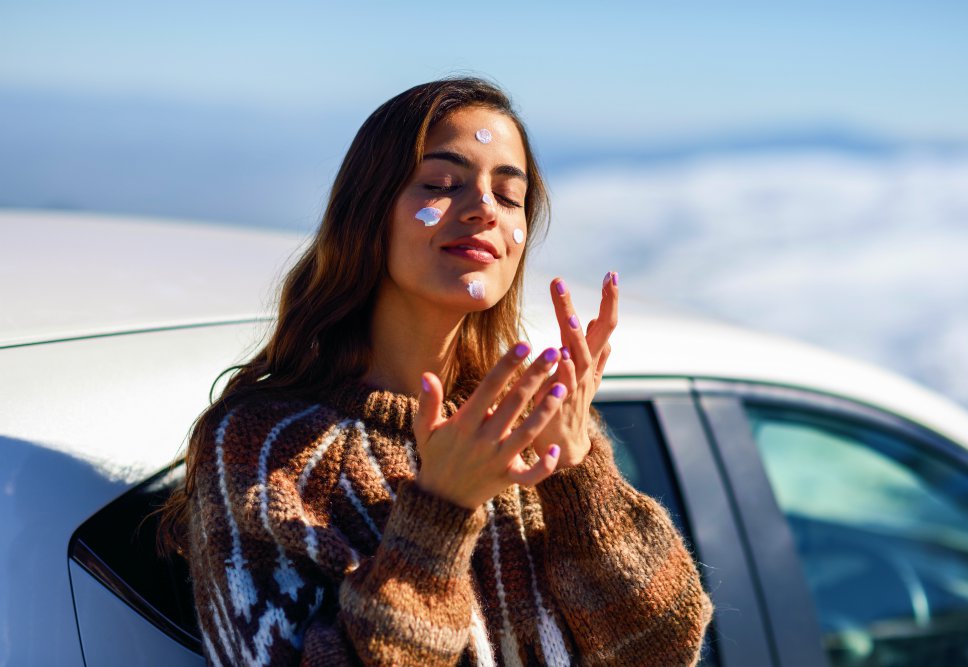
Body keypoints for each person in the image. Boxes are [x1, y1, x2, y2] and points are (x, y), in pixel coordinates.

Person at [160, 77, 713, 666]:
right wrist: (440, 513)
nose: (483, 209)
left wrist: (580, 475)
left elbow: (662, 650)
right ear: (367, 214)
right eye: (443, 185)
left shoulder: (524, 430)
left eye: (508, 196)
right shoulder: (266, 448)